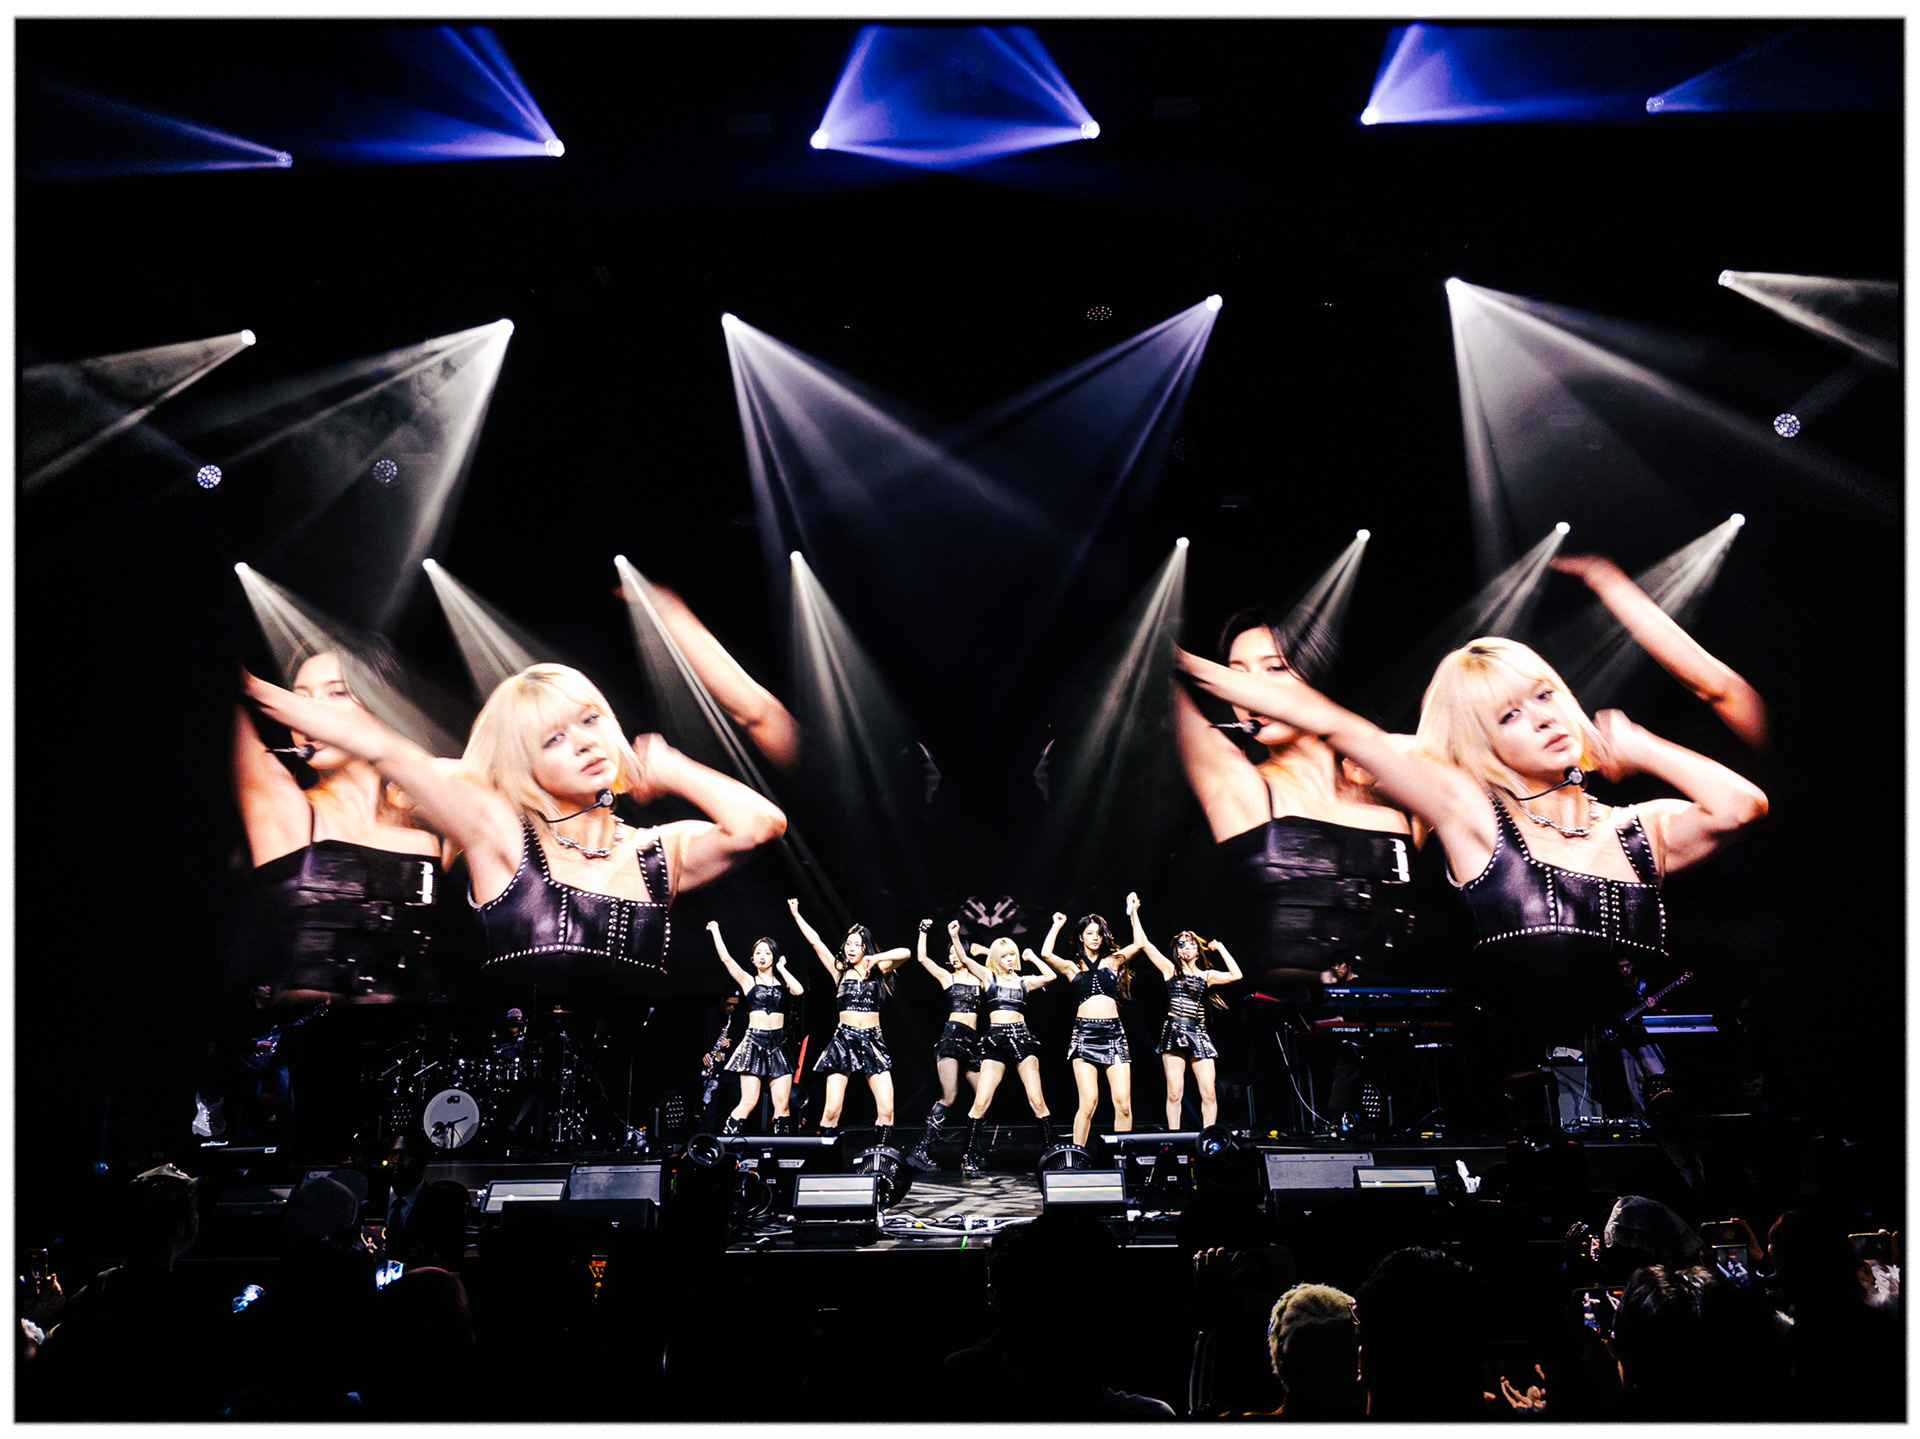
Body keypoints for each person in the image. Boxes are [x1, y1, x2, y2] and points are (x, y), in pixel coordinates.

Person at [1176, 634, 1766, 1123]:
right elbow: (1339, 727)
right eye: (1509, 715)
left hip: (1680, 1095)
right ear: (1482, 743)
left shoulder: (1639, 828)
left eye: (1545, 695)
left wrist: (1640, 745)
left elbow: (1741, 806)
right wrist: (1185, 666)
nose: (1542, 719)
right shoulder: (1476, 818)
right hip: (1541, 1107)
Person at [243, 662, 787, 994]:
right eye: (553, 739)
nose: (583, 743)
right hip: (518, 1107)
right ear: (524, 765)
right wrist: (251, 688)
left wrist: (672, 767)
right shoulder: (501, 836)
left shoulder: (657, 852)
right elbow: (386, 749)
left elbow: (760, 825)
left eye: (590, 720)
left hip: (637, 1103)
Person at [1172, 608, 1419, 1129]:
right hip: (1294, 1059)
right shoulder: (1242, 786)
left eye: (1274, 669)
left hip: (1414, 1054)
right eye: (1236, 675)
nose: (1250, 692)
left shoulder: (1398, 797)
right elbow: (1153, 674)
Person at [787, 898, 911, 1141]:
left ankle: (880, 1157)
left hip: (873, 1040)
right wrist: (796, 915)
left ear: (866, 948)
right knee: (832, 1110)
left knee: (887, 1109)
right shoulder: (840, 972)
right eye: (849, 944)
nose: (851, 948)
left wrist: (876, 958)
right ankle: (825, 1155)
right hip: (844, 1040)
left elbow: (906, 953)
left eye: (857, 944)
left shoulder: (878, 970)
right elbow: (815, 942)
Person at [1128, 901, 1243, 1130]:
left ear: (1197, 950)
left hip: (1198, 1032)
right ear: (1177, 951)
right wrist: (1134, 913)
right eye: (1182, 945)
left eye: (1190, 944)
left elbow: (1236, 974)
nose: (1186, 948)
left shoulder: (1207, 976)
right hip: (1174, 1030)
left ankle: (1208, 1137)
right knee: (1174, 1092)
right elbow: (1144, 944)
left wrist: (1220, 948)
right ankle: (1174, 1138)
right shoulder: (1170, 970)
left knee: (1209, 1092)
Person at [1036, 903, 1143, 1148]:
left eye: (1099, 933)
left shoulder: (1112, 962)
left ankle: (1120, 1157)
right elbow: (1046, 954)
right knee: (1088, 1103)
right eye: (1090, 933)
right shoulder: (1072, 967)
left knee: (1123, 1104)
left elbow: (1139, 944)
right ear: (1081, 937)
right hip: (1085, 1035)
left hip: (1113, 1034)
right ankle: (1077, 1156)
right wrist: (1056, 925)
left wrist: (1134, 912)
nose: (1095, 937)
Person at [954, 932, 1060, 1176]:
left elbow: (1051, 976)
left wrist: (1033, 957)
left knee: (1037, 1099)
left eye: (1012, 954)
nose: (1010, 959)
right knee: (981, 1100)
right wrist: (954, 936)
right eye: (1004, 956)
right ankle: (968, 1156)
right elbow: (965, 959)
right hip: (996, 1039)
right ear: (996, 958)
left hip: (1022, 1038)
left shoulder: (1024, 982)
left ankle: (1051, 1153)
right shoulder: (988, 977)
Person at [707, 922, 805, 1135]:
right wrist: (716, 931)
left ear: (774, 957)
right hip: (754, 1043)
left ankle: (780, 1149)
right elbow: (726, 959)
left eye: (767, 953)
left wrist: (782, 968)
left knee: (782, 1104)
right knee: (749, 1101)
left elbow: (798, 991)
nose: (762, 956)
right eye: (758, 953)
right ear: (752, 958)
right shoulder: (748, 981)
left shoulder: (782, 984)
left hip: (779, 1044)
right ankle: (727, 1141)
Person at [905, 917, 986, 1169]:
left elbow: (1005, 960)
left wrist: (980, 950)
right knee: (949, 1096)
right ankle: (921, 1150)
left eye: (956, 952)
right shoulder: (947, 978)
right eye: (950, 954)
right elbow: (922, 958)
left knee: (983, 1097)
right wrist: (923, 931)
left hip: (972, 1041)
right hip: (951, 1038)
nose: (953, 957)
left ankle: (971, 1152)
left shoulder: (981, 978)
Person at [380, 1127, 472, 1269]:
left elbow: (450, 1258)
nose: (396, 1161)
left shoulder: (443, 1208)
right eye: (393, 1154)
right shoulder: (372, 1203)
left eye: (406, 1155)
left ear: (423, 1160)